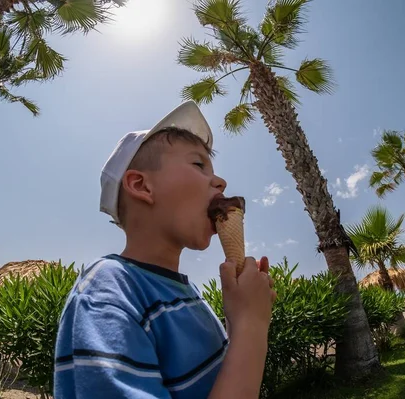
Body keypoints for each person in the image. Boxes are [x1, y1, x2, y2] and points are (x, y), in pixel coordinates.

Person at [54, 101, 277, 398]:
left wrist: (240, 321)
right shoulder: (107, 292)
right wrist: (252, 325)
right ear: (142, 186)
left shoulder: (188, 294)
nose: (221, 182)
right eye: (198, 164)